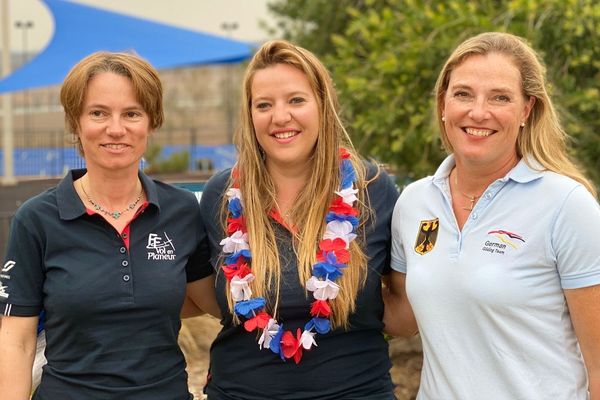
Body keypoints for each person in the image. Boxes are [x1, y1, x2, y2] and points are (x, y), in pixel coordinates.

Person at [385, 32, 600, 399]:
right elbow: (404, 318)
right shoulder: (415, 202)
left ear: (526, 110)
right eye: (463, 94)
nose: (478, 112)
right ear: (443, 103)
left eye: (500, 97)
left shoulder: (567, 204)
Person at [0, 51, 218, 400]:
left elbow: (211, 303)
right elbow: (18, 341)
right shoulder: (36, 219)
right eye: (98, 113)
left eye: (132, 113)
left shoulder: (181, 211)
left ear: (151, 122)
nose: (115, 129)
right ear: (76, 122)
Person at [193, 40, 399, 399]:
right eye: (264, 105)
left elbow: (407, 308)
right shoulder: (221, 196)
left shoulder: (374, 189)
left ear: (324, 105)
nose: (280, 117)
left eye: (296, 100)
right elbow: (206, 297)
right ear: (249, 114)